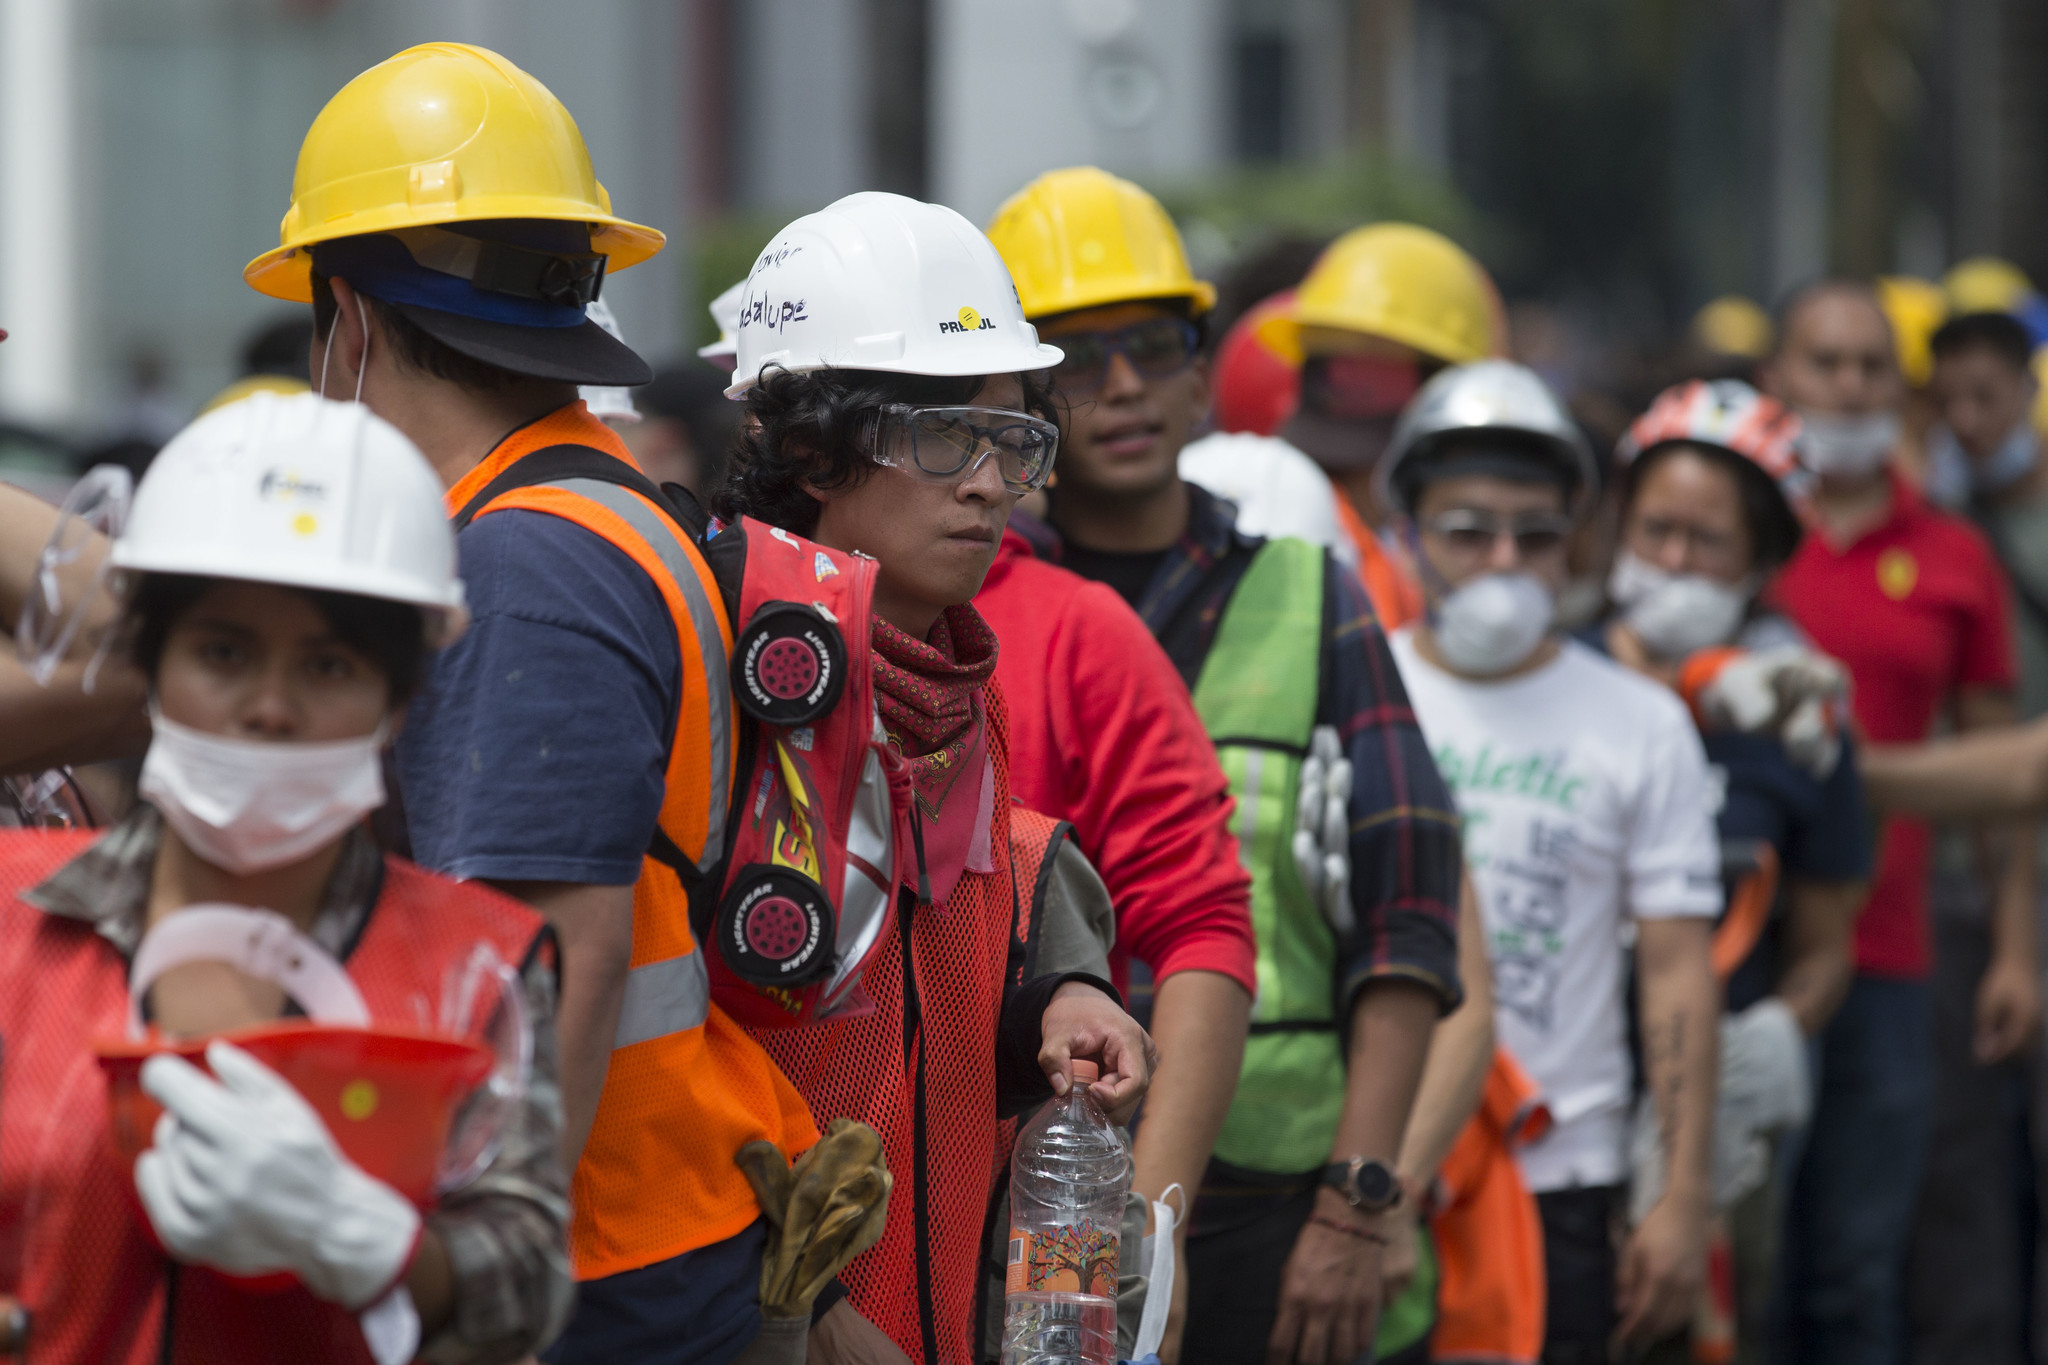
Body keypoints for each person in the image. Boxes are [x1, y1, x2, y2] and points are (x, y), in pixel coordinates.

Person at [247, 43, 822, 1364]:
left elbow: (556, 950)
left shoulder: (523, 563)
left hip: (587, 1256)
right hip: (634, 1217)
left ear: (349, 319)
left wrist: (487, 1279)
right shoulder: (584, 498)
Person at [983, 166, 1466, 1365]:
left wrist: (1358, 1202)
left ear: (1203, 364)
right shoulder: (972, 606)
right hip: (1025, 1195)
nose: (1125, 388)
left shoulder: (1308, 598)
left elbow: (1407, 915)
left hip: (1277, 1193)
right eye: (1078, 359)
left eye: (1153, 345)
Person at [0, 391, 569, 1363]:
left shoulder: (480, 967)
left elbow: (526, 1284)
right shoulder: (12, 914)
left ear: (398, 703)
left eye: (329, 666)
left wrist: (377, 1248)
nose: (269, 706)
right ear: (149, 668)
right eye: (223, 653)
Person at [714, 190, 1155, 1365]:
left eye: (1011, 441)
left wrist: (1059, 1005)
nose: (986, 483)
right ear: (809, 445)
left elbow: (929, 992)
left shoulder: (964, 690)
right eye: (940, 435)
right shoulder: (719, 667)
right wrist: (801, 1314)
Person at [1380, 360, 1722, 1363]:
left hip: (1559, 1179)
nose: (1500, 560)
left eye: (1534, 536)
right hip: (1372, 1167)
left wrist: (1680, 1192)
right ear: (1406, 531)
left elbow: (1674, 969)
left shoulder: (1640, 721)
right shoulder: (1359, 690)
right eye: (1464, 529)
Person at [1761, 279, 2040, 1365]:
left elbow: (2006, 771)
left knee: (1856, 1273)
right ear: (1777, 379)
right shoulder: (1731, 525)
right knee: (1740, 1267)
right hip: (1730, 948)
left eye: (1870, 367)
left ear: (1900, 390)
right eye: (1822, 363)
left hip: (1891, 956)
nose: (1845, 386)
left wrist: (2014, 950)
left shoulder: (1954, 554)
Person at [1596, 379, 1873, 1359]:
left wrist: (1770, 1037)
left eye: (1703, 542)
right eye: (1654, 528)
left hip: (1713, 1111)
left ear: (1758, 562)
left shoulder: (1798, 720)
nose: (1671, 561)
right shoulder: (1549, 672)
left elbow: (1826, 941)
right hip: (1550, 1102)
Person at [1898, 307, 2048, 1364]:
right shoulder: (1937, 535)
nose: (1962, 420)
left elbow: (2021, 766)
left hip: (2000, 862)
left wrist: (1848, 782)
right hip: (1964, 880)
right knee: (1962, 1166)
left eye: (1982, 398)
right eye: (1942, 401)